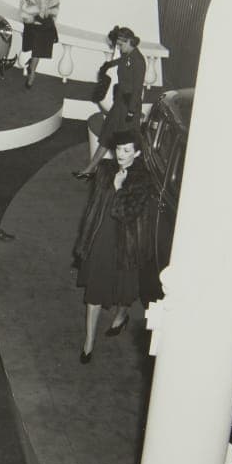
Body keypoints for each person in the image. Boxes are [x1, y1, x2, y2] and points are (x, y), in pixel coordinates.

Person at [72, 129, 158, 364]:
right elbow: (94, 208)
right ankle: (89, 342)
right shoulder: (104, 170)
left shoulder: (143, 179)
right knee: (96, 291)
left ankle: (121, 317)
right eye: (119, 149)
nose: (121, 154)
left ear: (137, 153)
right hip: (102, 239)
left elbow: (126, 214)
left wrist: (119, 188)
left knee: (124, 290)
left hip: (127, 244)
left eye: (127, 150)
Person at [74, 26, 147, 179]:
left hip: (128, 108)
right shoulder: (127, 55)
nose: (119, 48)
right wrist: (109, 64)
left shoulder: (139, 61)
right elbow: (122, 60)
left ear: (129, 42)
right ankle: (90, 169)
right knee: (106, 136)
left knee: (125, 145)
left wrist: (132, 112)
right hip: (120, 104)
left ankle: (125, 177)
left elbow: (137, 89)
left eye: (121, 44)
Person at [19, 0, 62, 88]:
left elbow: (56, 1)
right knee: (38, 41)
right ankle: (32, 73)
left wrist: (49, 14)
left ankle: (32, 66)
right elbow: (24, 0)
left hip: (46, 18)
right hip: (32, 17)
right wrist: (33, 15)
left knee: (45, 39)